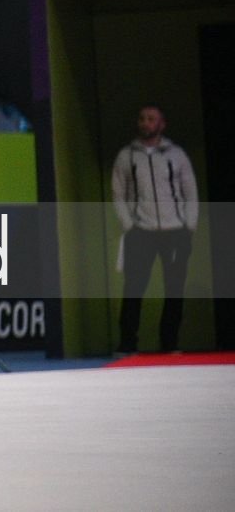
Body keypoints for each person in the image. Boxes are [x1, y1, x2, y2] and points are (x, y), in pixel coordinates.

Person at [111, 103, 198, 352]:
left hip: (174, 231)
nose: (145, 123)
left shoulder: (176, 154)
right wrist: (129, 225)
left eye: (151, 119)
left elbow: (190, 192)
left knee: (174, 288)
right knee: (133, 288)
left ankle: (169, 343)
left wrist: (188, 226)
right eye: (142, 118)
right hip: (141, 231)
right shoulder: (127, 156)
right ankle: (128, 343)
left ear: (162, 124)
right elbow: (118, 194)